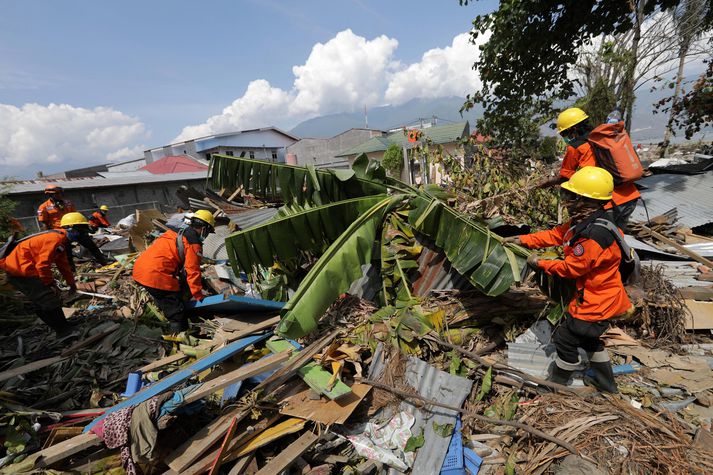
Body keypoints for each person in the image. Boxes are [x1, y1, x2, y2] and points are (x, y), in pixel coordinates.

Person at [504, 167, 632, 393]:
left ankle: (556, 384)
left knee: (565, 339)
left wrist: (540, 264)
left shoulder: (594, 235)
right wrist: (522, 240)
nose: (568, 201)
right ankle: (606, 384)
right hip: (597, 297)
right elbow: (554, 235)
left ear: (585, 200)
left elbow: (573, 268)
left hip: (598, 302)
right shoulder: (586, 223)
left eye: (572, 197)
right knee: (589, 341)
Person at [540, 107, 641, 229]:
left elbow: (565, 177)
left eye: (564, 133)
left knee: (601, 240)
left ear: (573, 129)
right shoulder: (603, 138)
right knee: (617, 238)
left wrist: (546, 183)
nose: (565, 137)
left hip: (608, 203)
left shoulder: (576, 147)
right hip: (630, 197)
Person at [0, 212, 88, 335]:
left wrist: (71, 283)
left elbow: (63, 265)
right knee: (47, 300)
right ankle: (62, 330)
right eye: (81, 230)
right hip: (20, 271)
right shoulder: (54, 239)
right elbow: (42, 265)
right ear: (70, 228)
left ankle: (64, 325)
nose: (84, 233)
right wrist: (50, 284)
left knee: (49, 299)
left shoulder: (61, 240)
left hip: (24, 269)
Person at [132, 209, 215, 334]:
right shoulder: (193, 242)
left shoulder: (176, 232)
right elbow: (193, 270)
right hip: (155, 274)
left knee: (168, 297)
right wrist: (198, 295)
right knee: (176, 313)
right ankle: (178, 341)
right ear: (204, 229)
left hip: (140, 270)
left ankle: (166, 309)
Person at [36, 185, 112, 266]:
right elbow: (44, 223)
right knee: (67, 252)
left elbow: (76, 215)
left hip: (75, 229)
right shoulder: (44, 207)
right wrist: (48, 236)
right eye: (57, 193)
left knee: (91, 246)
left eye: (60, 193)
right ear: (50, 194)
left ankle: (104, 263)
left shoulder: (68, 203)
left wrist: (86, 227)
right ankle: (72, 271)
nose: (60, 195)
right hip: (60, 232)